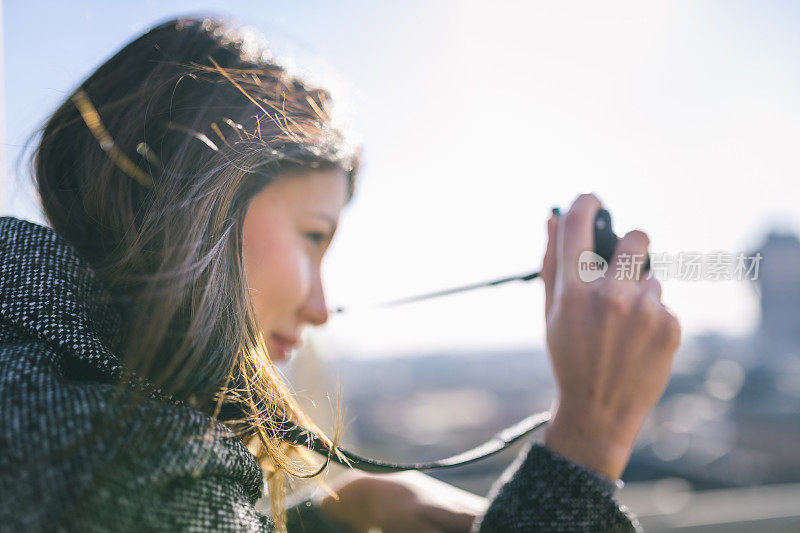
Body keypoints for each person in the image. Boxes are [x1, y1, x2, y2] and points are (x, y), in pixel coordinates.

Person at [0, 16, 681, 532]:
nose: (322, 307)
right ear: (202, 194)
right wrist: (589, 442)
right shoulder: (116, 451)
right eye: (313, 235)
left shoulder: (43, 380)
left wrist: (342, 506)